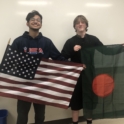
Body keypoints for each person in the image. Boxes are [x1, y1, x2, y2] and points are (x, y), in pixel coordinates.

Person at [11, 10, 66, 124]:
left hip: (41, 85)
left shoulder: (46, 42)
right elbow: (10, 62)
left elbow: (58, 58)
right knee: (22, 115)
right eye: (33, 20)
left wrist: (77, 66)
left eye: (38, 20)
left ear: (41, 24)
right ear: (27, 23)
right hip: (24, 85)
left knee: (40, 116)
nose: (36, 22)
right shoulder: (18, 41)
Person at [61, 15, 103, 124]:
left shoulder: (93, 39)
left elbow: (104, 50)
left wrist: (119, 48)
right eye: (78, 23)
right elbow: (62, 58)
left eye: (82, 22)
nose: (80, 24)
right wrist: (72, 50)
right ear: (75, 26)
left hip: (90, 75)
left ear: (86, 25)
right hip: (75, 77)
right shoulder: (70, 42)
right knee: (76, 102)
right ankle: (75, 122)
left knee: (89, 99)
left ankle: (89, 122)